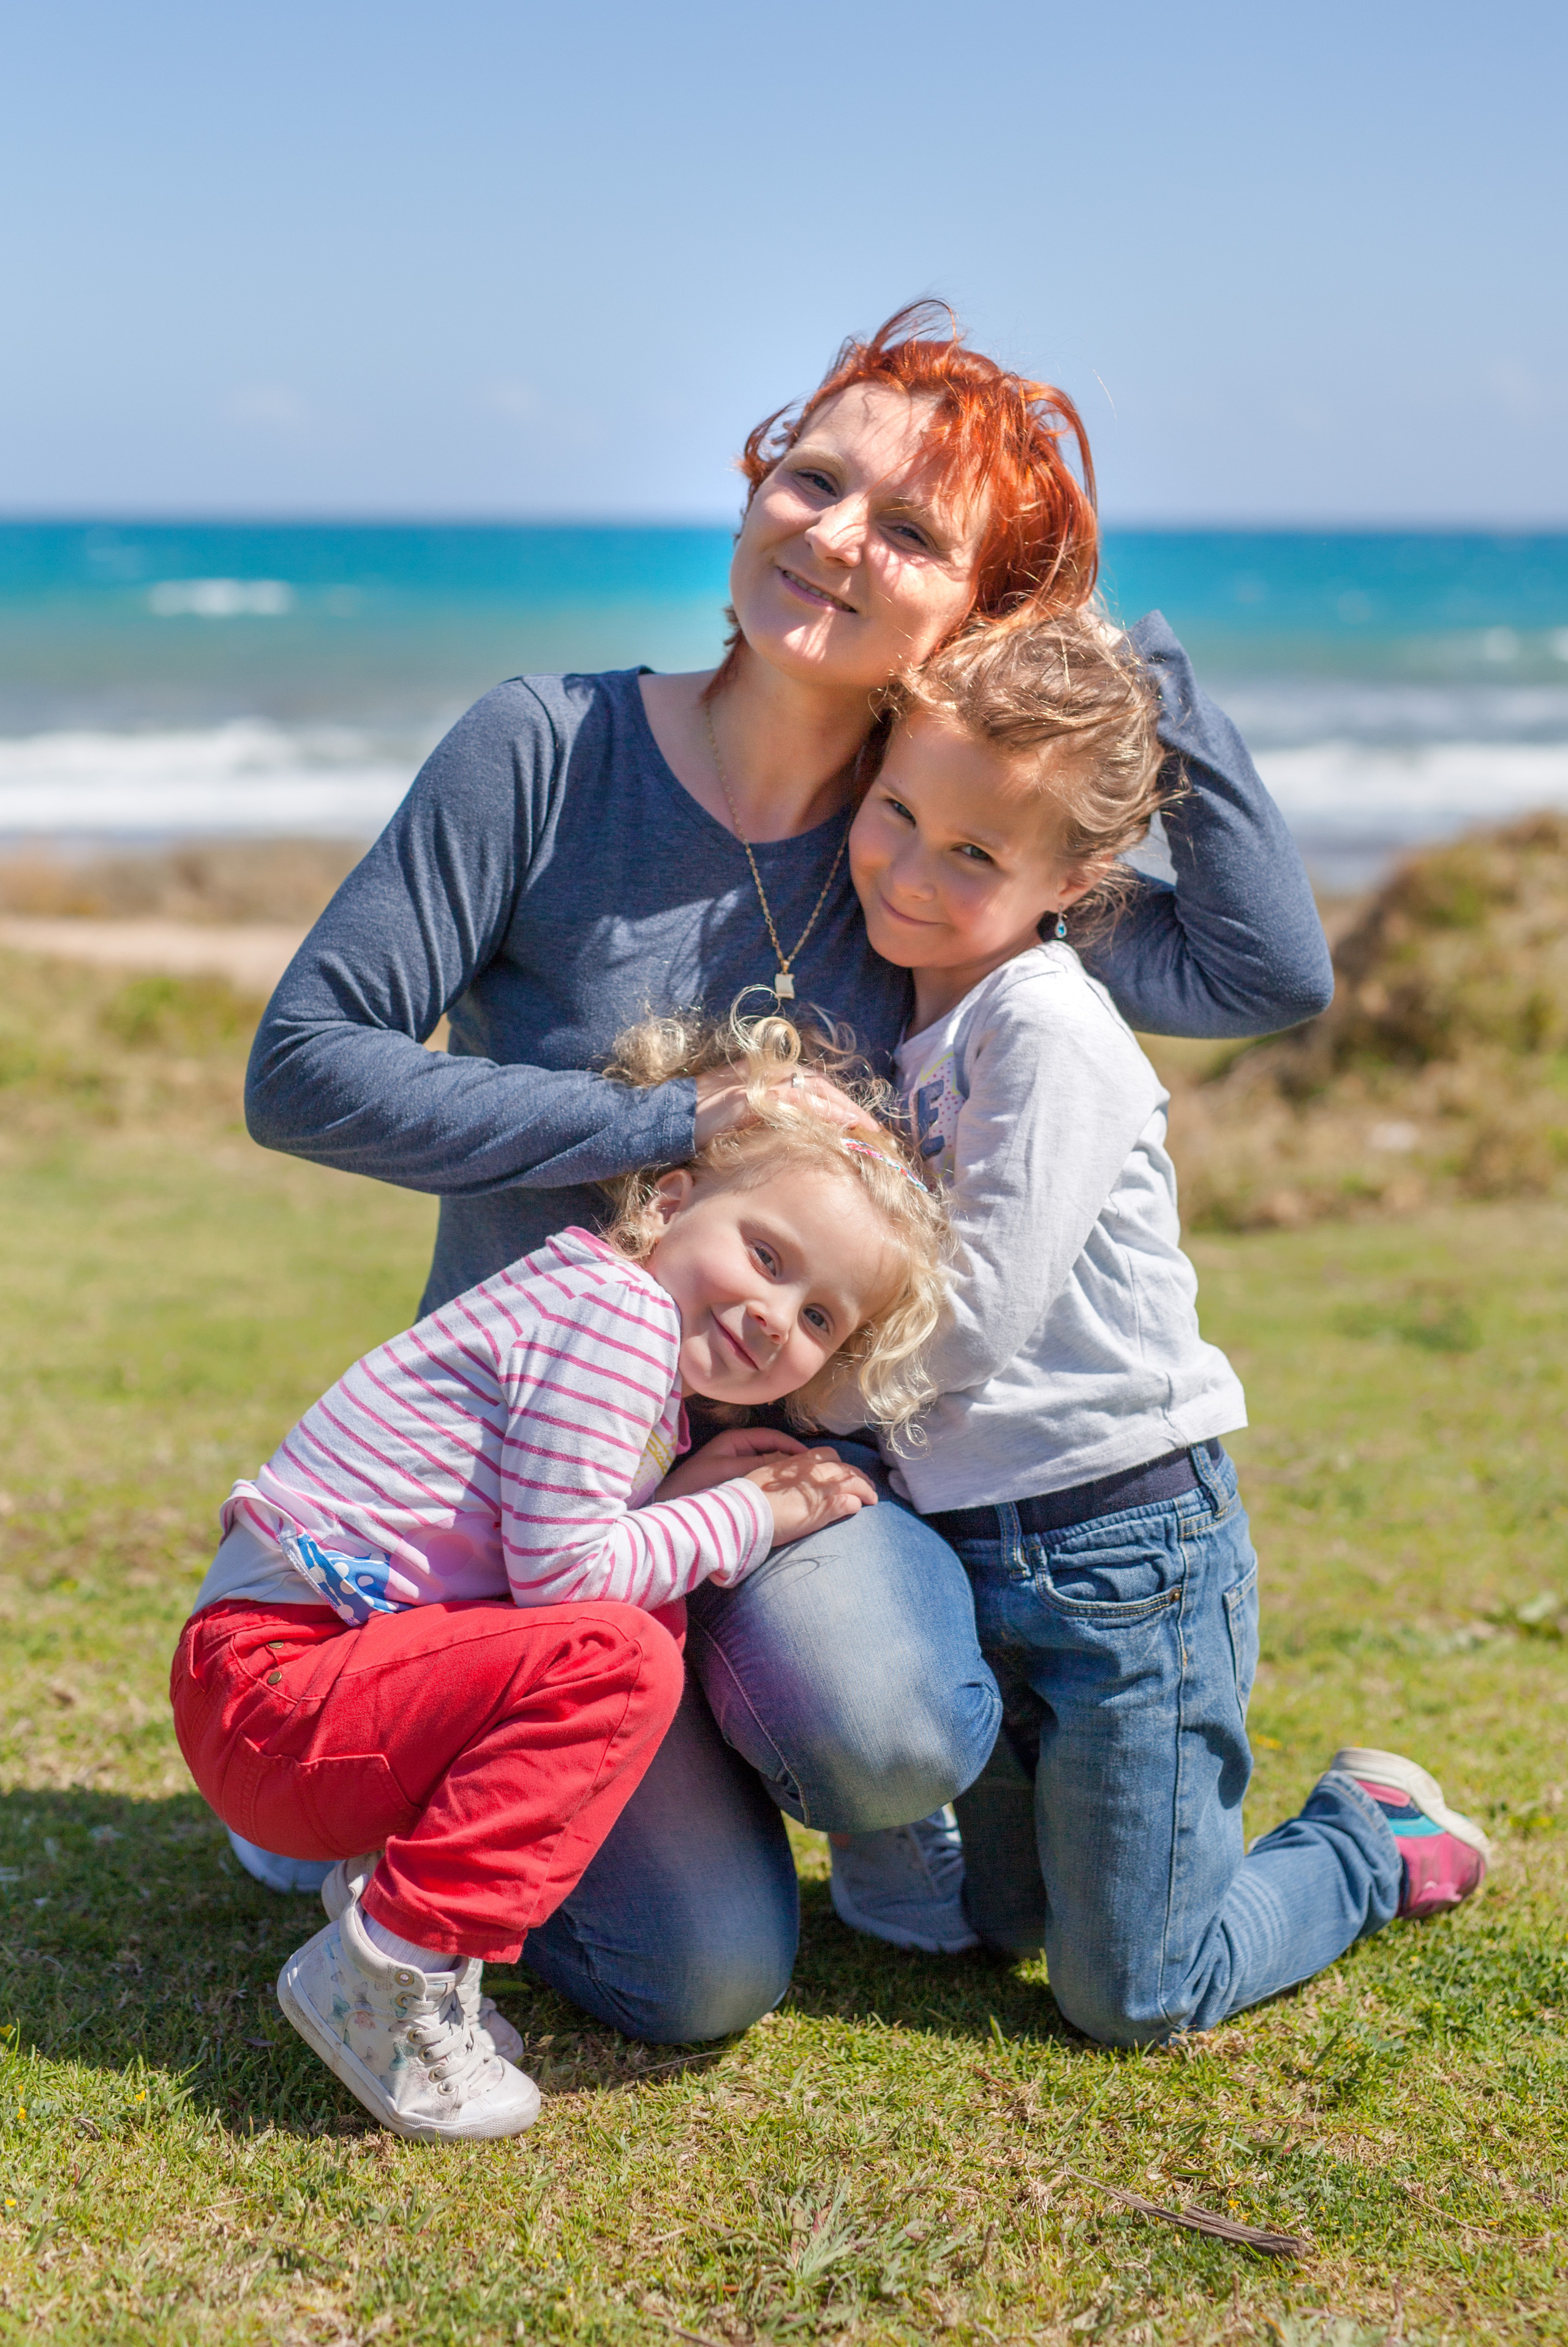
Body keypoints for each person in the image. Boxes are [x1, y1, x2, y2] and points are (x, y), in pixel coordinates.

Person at [236, 303, 1337, 2042]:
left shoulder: (936, 853)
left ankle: (639, 1749)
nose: (832, 535)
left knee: (885, 1722)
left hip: (777, 1494)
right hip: (522, 1495)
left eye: (909, 530)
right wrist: (668, 1123)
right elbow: (303, 1068)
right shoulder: (547, 750)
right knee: (701, 1978)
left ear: (977, 606)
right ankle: (423, 1751)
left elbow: (1264, 970)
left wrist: (1126, 660)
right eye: (811, 479)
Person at [832, 608, 1490, 2042]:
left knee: (1135, 1990)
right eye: (897, 810)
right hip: (972, 1544)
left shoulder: (1045, 1026)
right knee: (1006, 1921)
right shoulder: (911, 1018)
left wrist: (808, 1415)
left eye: (975, 854)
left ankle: (1369, 1834)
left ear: (1074, 883)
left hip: (1122, 1548)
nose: (911, 870)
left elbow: (977, 1309)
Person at [172, 1033, 948, 2136]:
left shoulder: (605, 1318)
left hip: (282, 1684)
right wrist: (751, 1513)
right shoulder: (618, 1318)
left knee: (636, 1627)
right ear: (670, 1201)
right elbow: (567, 1577)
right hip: (277, 1692)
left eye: (822, 1317)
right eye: (768, 1255)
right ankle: (388, 1971)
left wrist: (680, 1489)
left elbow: (534, 1539)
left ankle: (381, 1894)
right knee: (622, 1656)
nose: (779, 1314)